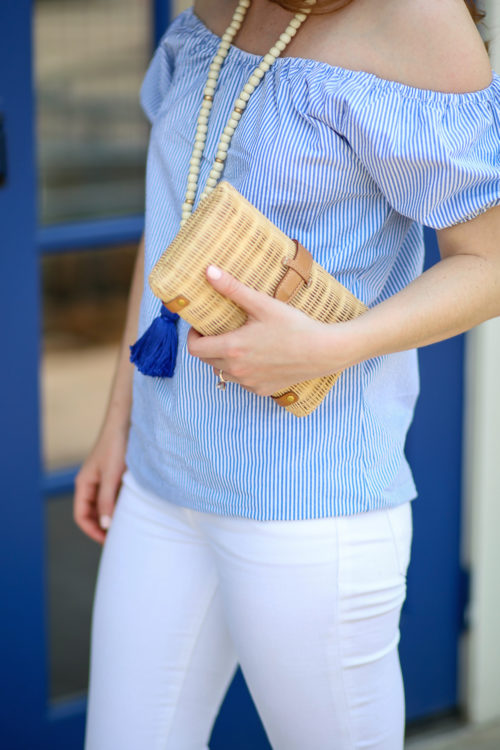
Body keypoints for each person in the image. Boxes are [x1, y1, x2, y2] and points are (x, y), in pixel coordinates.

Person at [77, 0, 500, 748]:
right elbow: (172, 211)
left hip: (309, 507)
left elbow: (490, 262)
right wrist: (120, 420)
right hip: (161, 481)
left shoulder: (420, 24)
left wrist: (332, 348)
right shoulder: (218, 6)